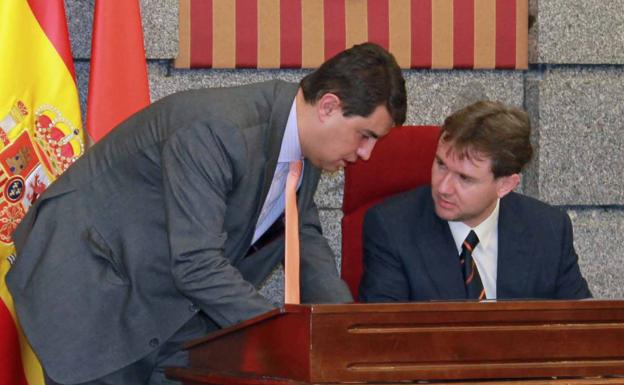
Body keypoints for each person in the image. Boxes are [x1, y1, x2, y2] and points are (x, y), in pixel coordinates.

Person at [6, 42, 406, 385]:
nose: (366, 155)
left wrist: (345, 329)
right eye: (365, 135)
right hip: (91, 291)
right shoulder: (220, 130)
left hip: (161, 303)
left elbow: (305, 239)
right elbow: (196, 265)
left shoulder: (305, 154)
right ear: (329, 107)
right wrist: (288, 335)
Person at [359, 100, 591, 303]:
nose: (443, 187)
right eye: (441, 165)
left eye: (465, 178)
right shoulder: (392, 228)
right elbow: (385, 340)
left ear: (505, 185)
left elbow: (582, 330)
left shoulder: (548, 230)